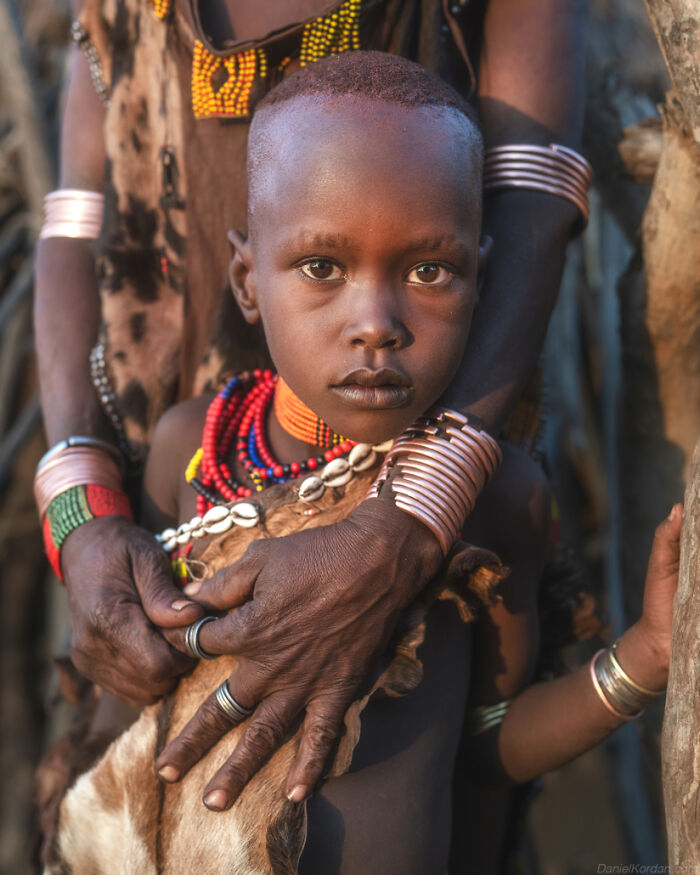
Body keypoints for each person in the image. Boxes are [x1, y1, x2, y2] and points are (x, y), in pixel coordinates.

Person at [44, 54, 679, 875]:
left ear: (481, 278)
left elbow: (486, 744)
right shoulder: (190, 448)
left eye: (428, 270)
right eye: (322, 268)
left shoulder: (499, 500)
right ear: (246, 279)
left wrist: (645, 660)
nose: (376, 321)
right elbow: (127, 696)